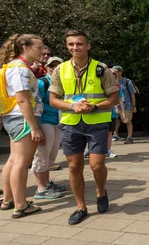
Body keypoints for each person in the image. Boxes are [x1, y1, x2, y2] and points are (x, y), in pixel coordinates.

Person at [49, 30, 119, 225]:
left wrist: (95, 106)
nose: (75, 48)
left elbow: (114, 98)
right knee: (74, 166)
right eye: (71, 44)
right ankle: (81, 207)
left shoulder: (101, 69)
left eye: (79, 44)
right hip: (71, 124)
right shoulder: (60, 70)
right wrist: (72, 105)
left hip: (96, 122)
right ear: (66, 46)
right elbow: (53, 100)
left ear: (88, 46)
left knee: (97, 165)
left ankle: (100, 190)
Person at [0, 34, 45, 218]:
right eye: (39, 47)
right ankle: (21, 205)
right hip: (23, 119)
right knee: (21, 162)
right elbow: (23, 100)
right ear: (25, 47)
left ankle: (9, 199)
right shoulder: (20, 70)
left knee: (13, 160)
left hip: (16, 118)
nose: (42, 51)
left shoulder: (15, 67)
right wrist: (34, 128)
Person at [32, 56, 67, 199]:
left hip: (57, 121)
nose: (54, 68)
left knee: (51, 156)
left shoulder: (63, 83)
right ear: (46, 67)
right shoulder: (42, 82)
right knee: (42, 154)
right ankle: (41, 188)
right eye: (52, 66)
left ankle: (46, 184)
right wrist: (36, 126)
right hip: (44, 120)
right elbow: (34, 103)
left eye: (58, 66)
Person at [113, 65, 136, 144]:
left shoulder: (127, 81)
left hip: (126, 105)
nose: (114, 73)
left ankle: (129, 137)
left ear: (120, 72)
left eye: (116, 72)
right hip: (115, 105)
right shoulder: (112, 81)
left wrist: (134, 106)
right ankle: (115, 135)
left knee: (127, 121)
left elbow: (132, 94)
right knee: (116, 120)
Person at [107, 68, 125, 158]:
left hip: (113, 112)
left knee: (110, 132)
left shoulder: (118, 87)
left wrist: (123, 111)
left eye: (114, 74)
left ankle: (108, 150)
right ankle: (91, 150)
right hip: (102, 112)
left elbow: (120, 99)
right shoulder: (102, 85)